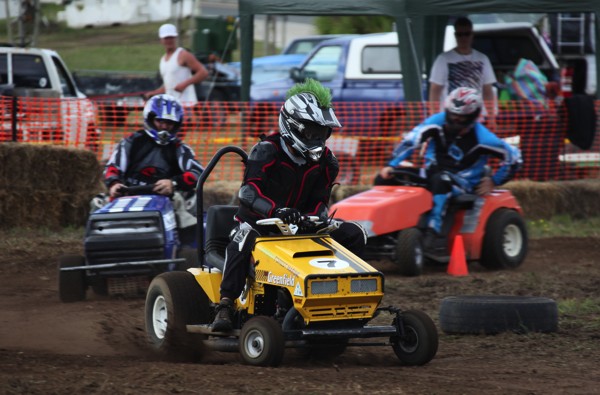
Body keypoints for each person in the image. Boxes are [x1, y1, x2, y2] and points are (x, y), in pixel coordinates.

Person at [211, 79, 367, 332]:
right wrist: (276, 211)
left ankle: (345, 299)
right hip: (261, 224)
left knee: (355, 233)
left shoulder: (327, 161)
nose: (318, 138)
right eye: (312, 132)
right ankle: (225, 305)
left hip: (302, 226)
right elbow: (248, 192)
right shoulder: (266, 151)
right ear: (293, 126)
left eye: (322, 132)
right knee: (242, 239)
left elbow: (320, 201)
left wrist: (315, 216)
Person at [377, 87, 521, 254]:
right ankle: (385, 229)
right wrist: (391, 165)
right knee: (385, 178)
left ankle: (433, 235)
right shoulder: (436, 122)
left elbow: (515, 158)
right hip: (430, 173)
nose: (455, 119)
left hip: (462, 182)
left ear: (472, 116)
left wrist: (494, 181)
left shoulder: (484, 138)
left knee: (442, 180)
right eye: (452, 115)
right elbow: (411, 140)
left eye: (460, 117)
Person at [101, 94, 204, 238]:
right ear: (149, 118)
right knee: (97, 204)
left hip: (167, 198)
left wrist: (173, 183)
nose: (164, 126)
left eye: (169, 123)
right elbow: (112, 168)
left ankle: (186, 251)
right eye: (160, 121)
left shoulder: (180, 148)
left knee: (189, 211)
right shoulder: (131, 142)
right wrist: (114, 183)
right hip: (129, 194)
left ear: (176, 124)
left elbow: (198, 172)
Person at [429, 17, 496, 123]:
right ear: (455, 35)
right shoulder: (443, 59)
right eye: (459, 34)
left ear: (472, 35)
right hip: (451, 117)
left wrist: (492, 117)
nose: (463, 38)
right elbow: (435, 91)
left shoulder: (483, 59)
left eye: (467, 34)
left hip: (476, 117)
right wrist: (434, 117)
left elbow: (488, 91)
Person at [144, 23, 209, 105]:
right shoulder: (163, 60)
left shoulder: (183, 54)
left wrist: (185, 84)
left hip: (185, 105)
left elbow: (204, 72)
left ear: (175, 38)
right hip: (171, 106)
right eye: (166, 38)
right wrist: (154, 93)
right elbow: (168, 86)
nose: (169, 40)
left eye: (171, 37)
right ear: (161, 40)